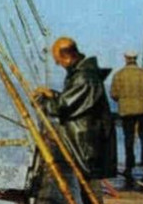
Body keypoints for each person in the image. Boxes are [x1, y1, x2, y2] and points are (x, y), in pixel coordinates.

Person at [34, 36, 116, 181]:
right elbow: (74, 101)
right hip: (88, 143)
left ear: (67, 57)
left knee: (88, 187)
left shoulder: (84, 77)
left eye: (58, 60)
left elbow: (62, 108)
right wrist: (53, 94)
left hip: (87, 147)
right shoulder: (82, 75)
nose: (57, 64)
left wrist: (41, 101)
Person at [110, 52, 143, 181]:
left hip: (126, 111)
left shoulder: (118, 75)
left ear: (125, 59)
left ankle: (129, 167)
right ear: (136, 59)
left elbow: (113, 94)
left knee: (128, 140)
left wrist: (124, 100)